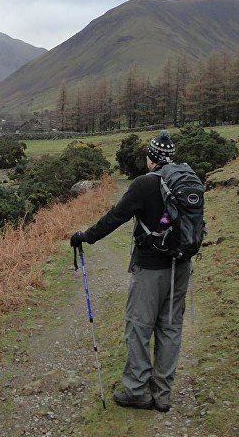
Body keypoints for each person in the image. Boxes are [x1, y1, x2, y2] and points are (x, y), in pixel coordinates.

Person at [70, 131, 190, 412]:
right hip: (181, 266)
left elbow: (116, 216)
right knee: (170, 328)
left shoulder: (144, 184)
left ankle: (137, 390)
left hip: (150, 269)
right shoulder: (186, 180)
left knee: (138, 327)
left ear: (151, 159)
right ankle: (163, 394)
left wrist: (86, 236)